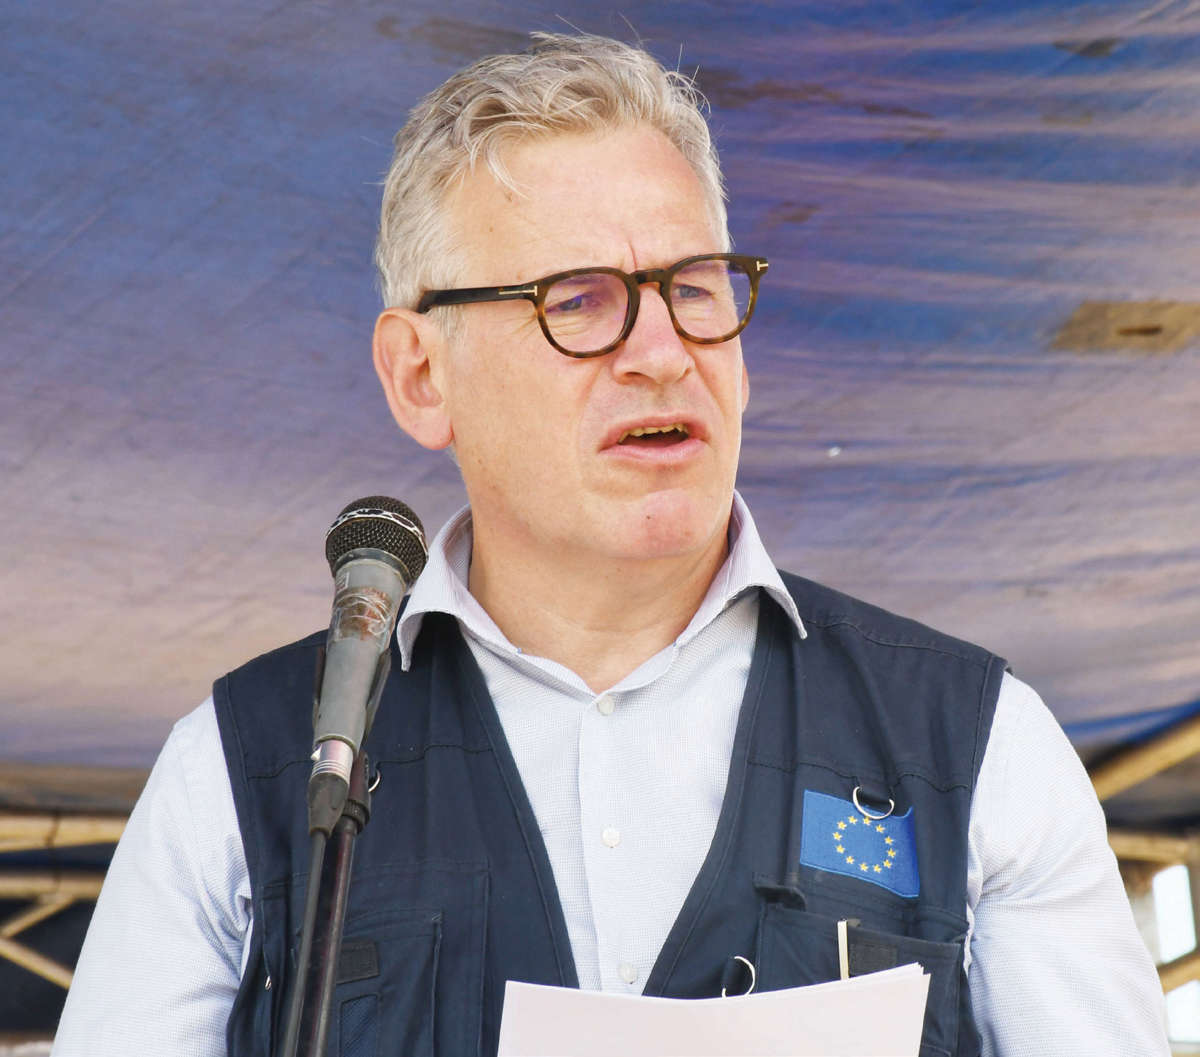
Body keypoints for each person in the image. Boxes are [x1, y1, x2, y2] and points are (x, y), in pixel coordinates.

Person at [53, 32, 1168, 1057]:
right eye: (578, 301)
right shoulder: (241, 770)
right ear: (421, 374)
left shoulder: (976, 744)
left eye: (693, 287)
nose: (663, 351)